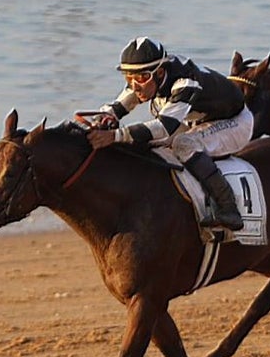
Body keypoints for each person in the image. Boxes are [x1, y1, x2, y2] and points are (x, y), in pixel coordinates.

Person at [87, 36, 253, 231]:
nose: (134, 85)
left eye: (141, 78)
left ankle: (228, 207)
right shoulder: (147, 77)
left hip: (234, 122)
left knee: (184, 144)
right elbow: (119, 106)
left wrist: (115, 135)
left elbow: (163, 127)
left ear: (159, 73)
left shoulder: (185, 81)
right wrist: (103, 118)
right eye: (128, 78)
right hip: (198, 119)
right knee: (149, 143)